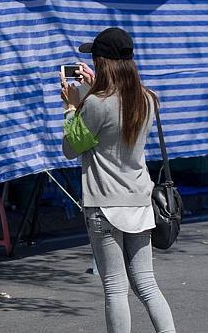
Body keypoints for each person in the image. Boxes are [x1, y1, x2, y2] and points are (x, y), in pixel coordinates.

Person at [61, 27, 176, 333]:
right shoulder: (149, 99)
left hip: (104, 203)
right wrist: (91, 91)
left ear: (102, 63)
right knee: (147, 283)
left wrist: (72, 108)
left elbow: (72, 147)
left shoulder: (96, 104)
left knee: (115, 287)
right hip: (139, 200)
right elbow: (115, 114)